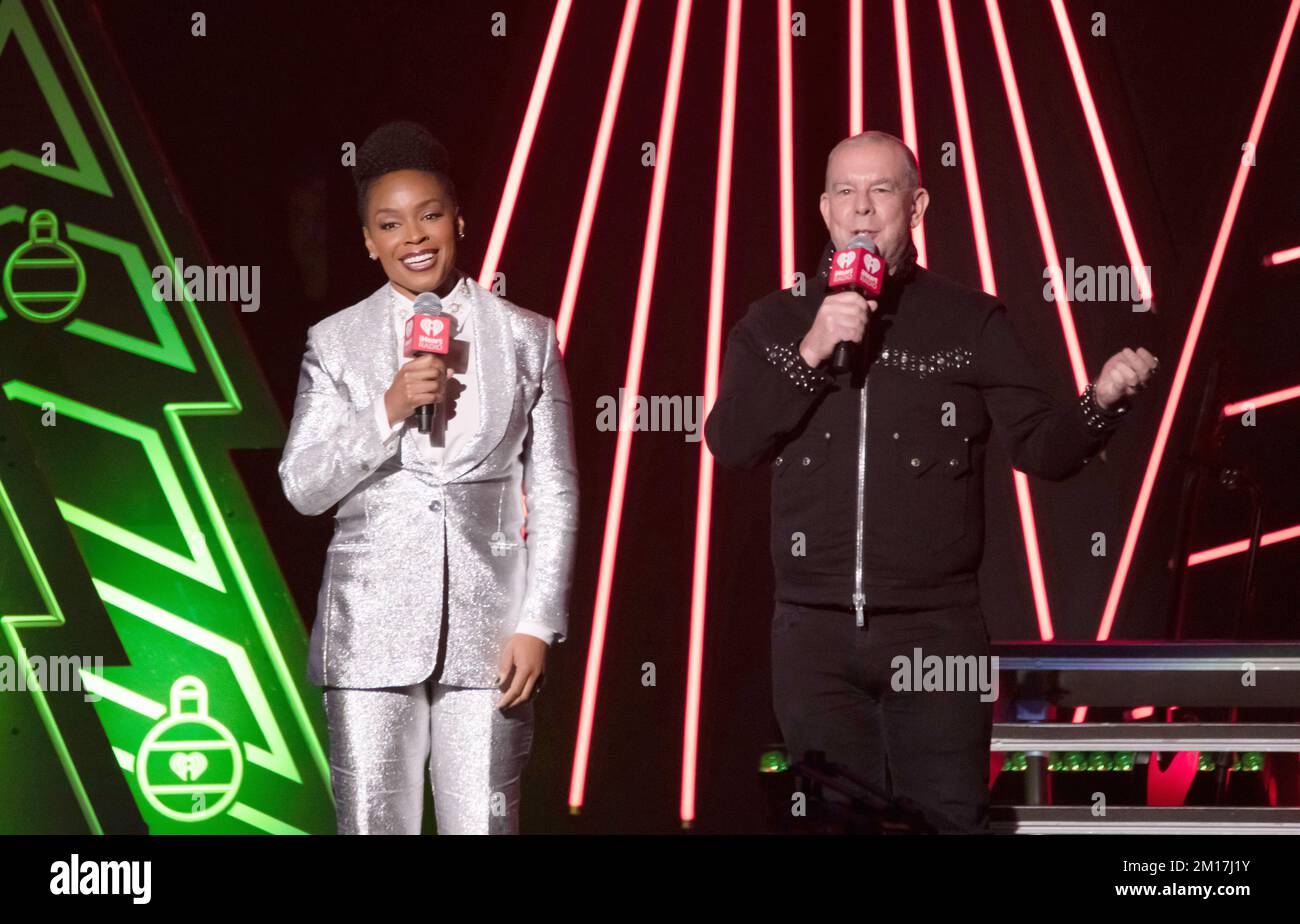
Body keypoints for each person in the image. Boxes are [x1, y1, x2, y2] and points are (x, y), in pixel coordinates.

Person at [704, 130, 1158, 833]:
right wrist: (812, 350)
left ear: (916, 206)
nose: (862, 210)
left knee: (946, 820)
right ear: (824, 210)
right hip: (812, 636)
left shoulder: (968, 318)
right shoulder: (776, 321)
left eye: (881, 191)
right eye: (846, 193)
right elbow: (731, 442)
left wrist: (1099, 402)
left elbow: (1044, 449)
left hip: (935, 636)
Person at [278, 121, 578, 834]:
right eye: (391, 223)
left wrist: (538, 621)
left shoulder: (527, 335)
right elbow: (302, 485)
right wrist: (389, 405)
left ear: (459, 221)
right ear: (368, 241)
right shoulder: (335, 341)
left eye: (430, 214)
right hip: (369, 632)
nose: (414, 236)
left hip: (493, 635)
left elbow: (558, 491)